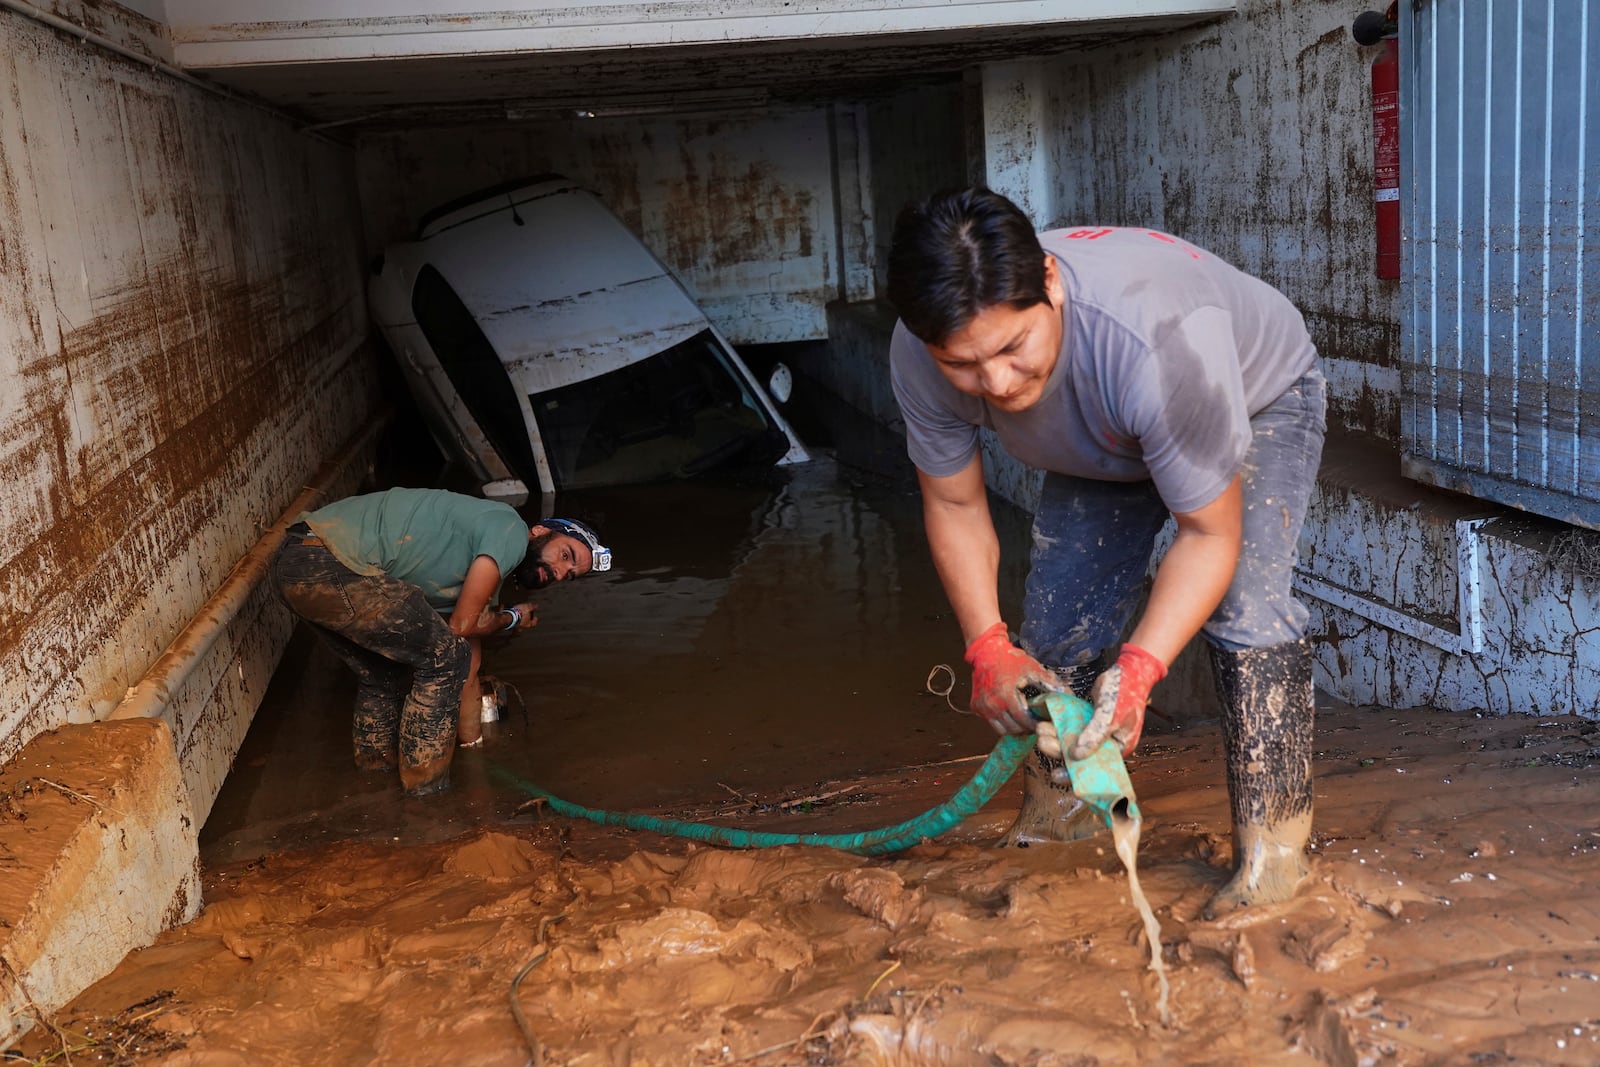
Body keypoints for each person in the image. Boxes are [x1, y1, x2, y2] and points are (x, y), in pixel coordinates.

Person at [886, 187, 1326, 918]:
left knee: (1247, 610)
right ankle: (1064, 823)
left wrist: (1142, 667)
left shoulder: (1157, 343)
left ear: (1050, 284)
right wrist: (986, 646)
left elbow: (1208, 533)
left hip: (1250, 396)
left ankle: (1274, 855)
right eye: (963, 364)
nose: (995, 383)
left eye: (1011, 348)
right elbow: (956, 502)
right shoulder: (921, 350)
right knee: (1056, 628)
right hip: (1111, 434)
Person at [267, 487, 611, 796]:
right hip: (327, 561)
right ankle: (425, 795)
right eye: (565, 555)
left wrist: (476, 752)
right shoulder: (510, 531)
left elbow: (469, 669)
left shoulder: (484, 565)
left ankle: (373, 787)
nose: (558, 572)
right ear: (541, 531)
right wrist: (513, 619)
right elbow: (461, 629)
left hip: (296, 562)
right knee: (442, 658)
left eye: (569, 575)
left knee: (385, 674)